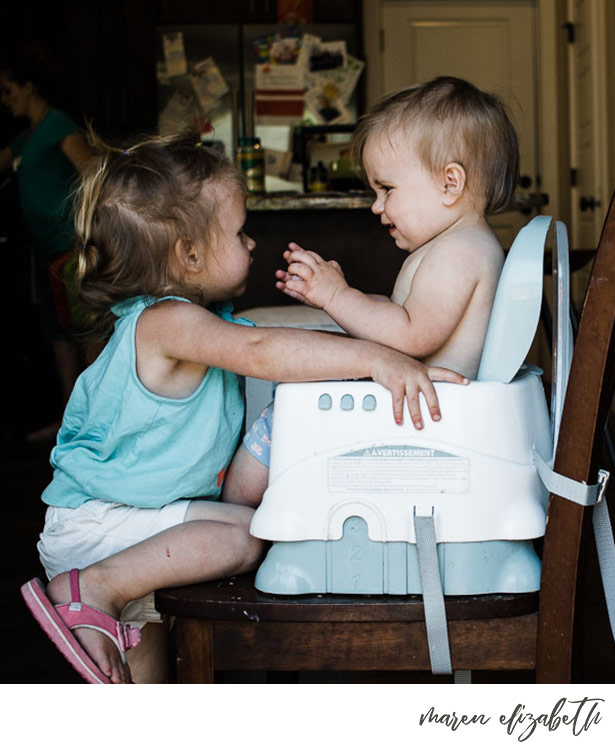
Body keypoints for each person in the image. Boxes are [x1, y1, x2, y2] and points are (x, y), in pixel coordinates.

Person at [19, 129, 466, 684]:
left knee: (142, 694)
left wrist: (367, 316)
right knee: (250, 534)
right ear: (189, 254)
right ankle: (94, 590)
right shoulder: (167, 324)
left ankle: (100, 604)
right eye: (239, 232)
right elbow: (263, 350)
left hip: (141, 524)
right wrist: (377, 361)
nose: (251, 242)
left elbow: (281, 331)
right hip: (104, 525)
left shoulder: (205, 322)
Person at [222, 75, 519, 504]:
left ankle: (238, 510)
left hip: (419, 419)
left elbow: (413, 335)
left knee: (285, 413)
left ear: (450, 183)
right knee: (302, 376)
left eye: (387, 189)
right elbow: (405, 315)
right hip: (414, 406)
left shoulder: (459, 253)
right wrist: (350, 297)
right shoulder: (454, 245)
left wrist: (338, 298)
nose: (376, 206)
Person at [0, 44, 98, 439]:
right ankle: (71, 422)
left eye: (8, 91)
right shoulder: (27, 139)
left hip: (71, 248)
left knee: (87, 333)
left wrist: (87, 239)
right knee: (59, 336)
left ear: (30, 88)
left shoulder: (58, 126)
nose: (4, 101)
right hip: (44, 252)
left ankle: (98, 419)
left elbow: (92, 173)